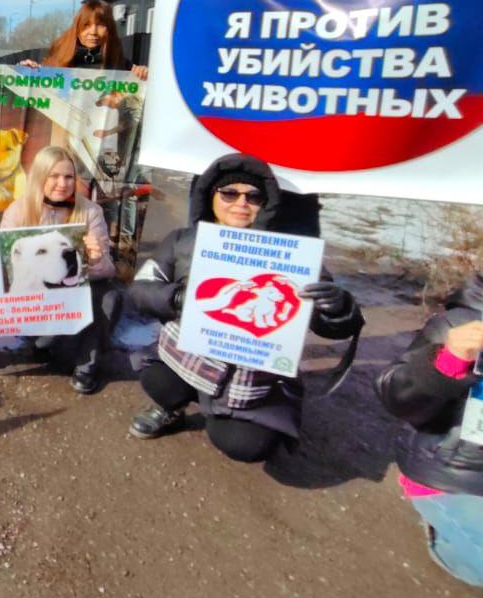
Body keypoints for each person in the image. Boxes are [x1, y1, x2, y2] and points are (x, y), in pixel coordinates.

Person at [127, 153, 363, 462]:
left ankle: (225, 413)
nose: (241, 202)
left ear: (266, 203)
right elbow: (140, 291)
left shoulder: (291, 254)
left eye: (253, 196)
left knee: (246, 444)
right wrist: (176, 298)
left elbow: (332, 326)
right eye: (229, 193)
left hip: (251, 377)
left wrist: (339, 307)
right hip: (189, 356)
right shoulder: (182, 240)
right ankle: (171, 408)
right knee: (159, 382)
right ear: (210, 196)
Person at [375, 273, 483, 587]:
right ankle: (443, 533)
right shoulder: (457, 325)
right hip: (455, 478)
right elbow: (393, 394)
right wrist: (448, 361)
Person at [0, 146, 119, 394]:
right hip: (35, 300)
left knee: (109, 296)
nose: (62, 184)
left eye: (68, 177)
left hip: (74, 291)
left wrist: (95, 259)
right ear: (39, 177)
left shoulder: (91, 212)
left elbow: (108, 271)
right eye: (53, 176)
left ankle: (87, 366)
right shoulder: (17, 211)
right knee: (47, 346)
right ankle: (42, 342)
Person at [14, 0, 148, 79]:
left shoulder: (121, 64)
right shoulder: (60, 58)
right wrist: (24, 69)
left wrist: (143, 75)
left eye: (101, 25)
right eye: (86, 25)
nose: (93, 32)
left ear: (110, 29)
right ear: (77, 29)